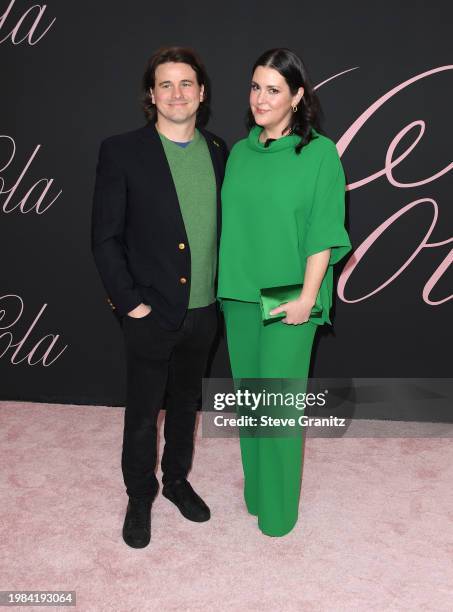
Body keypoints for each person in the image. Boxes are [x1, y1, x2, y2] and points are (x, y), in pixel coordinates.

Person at [91, 46, 228, 548]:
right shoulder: (121, 150)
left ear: (202, 93)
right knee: (144, 411)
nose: (177, 93)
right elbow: (105, 237)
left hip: (205, 311)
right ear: (151, 95)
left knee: (186, 403)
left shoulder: (218, 150)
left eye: (186, 84)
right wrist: (131, 304)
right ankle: (139, 494)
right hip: (149, 311)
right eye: (165, 84)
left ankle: (175, 481)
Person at [217, 48, 351, 537]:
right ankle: (257, 496)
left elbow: (323, 231)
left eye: (273, 89)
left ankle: (279, 515)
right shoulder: (239, 152)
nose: (260, 98)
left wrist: (308, 297)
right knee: (250, 404)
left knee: (277, 406)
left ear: (297, 96)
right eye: (255, 87)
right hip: (238, 292)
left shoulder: (320, 154)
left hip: (290, 294)